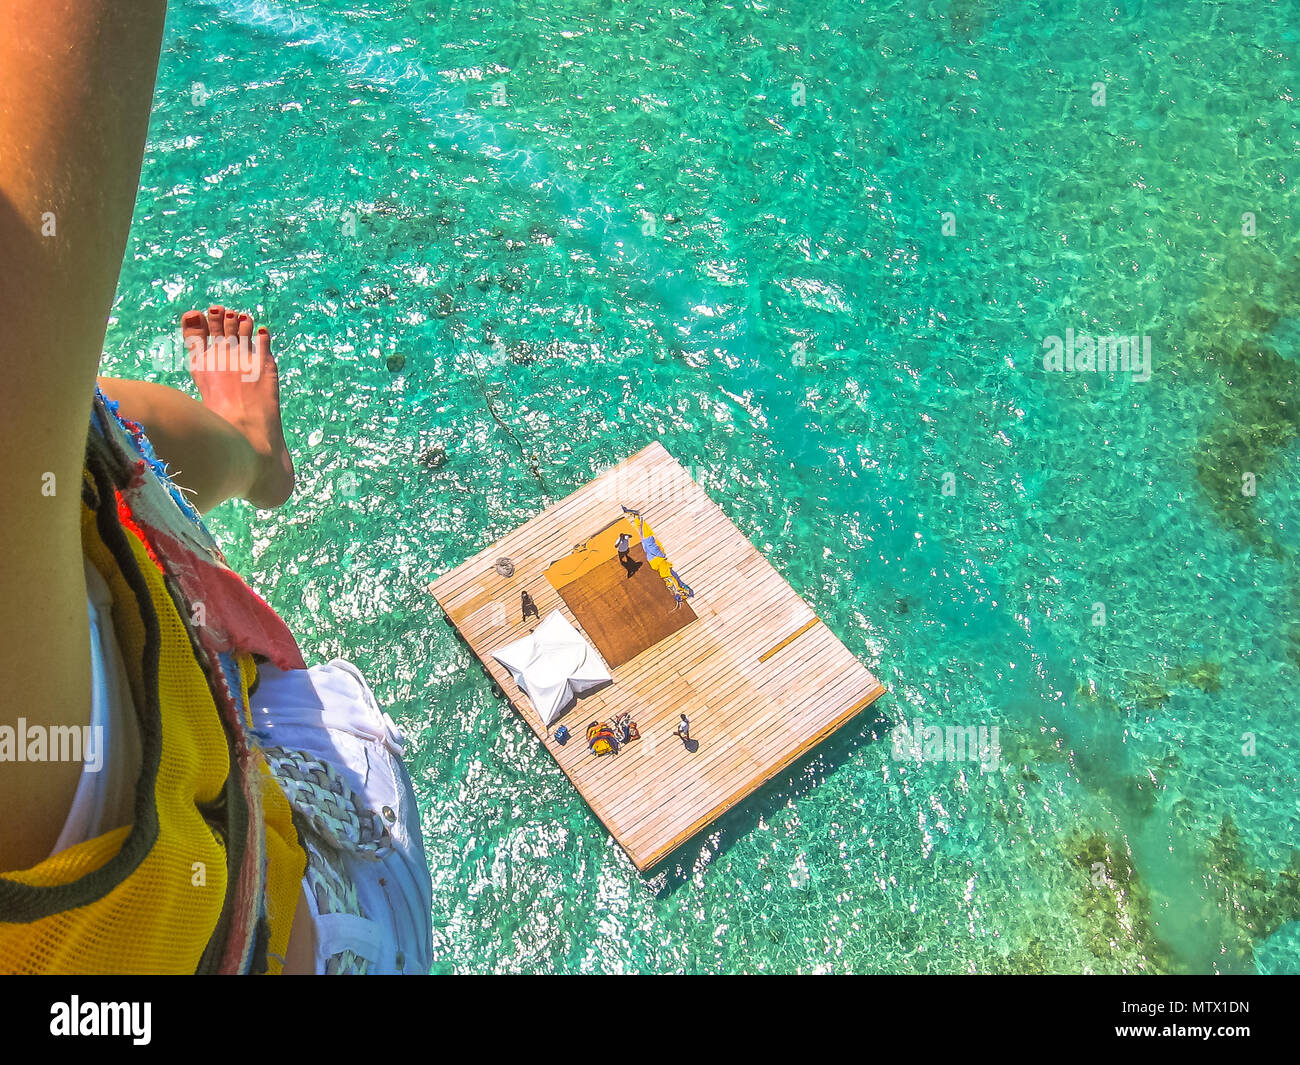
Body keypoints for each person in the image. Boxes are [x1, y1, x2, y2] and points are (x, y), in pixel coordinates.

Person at [0, 1, 431, 975]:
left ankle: (250, 455)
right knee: (65, 445)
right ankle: (253, 460)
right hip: (314, 924)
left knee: (80, 451)